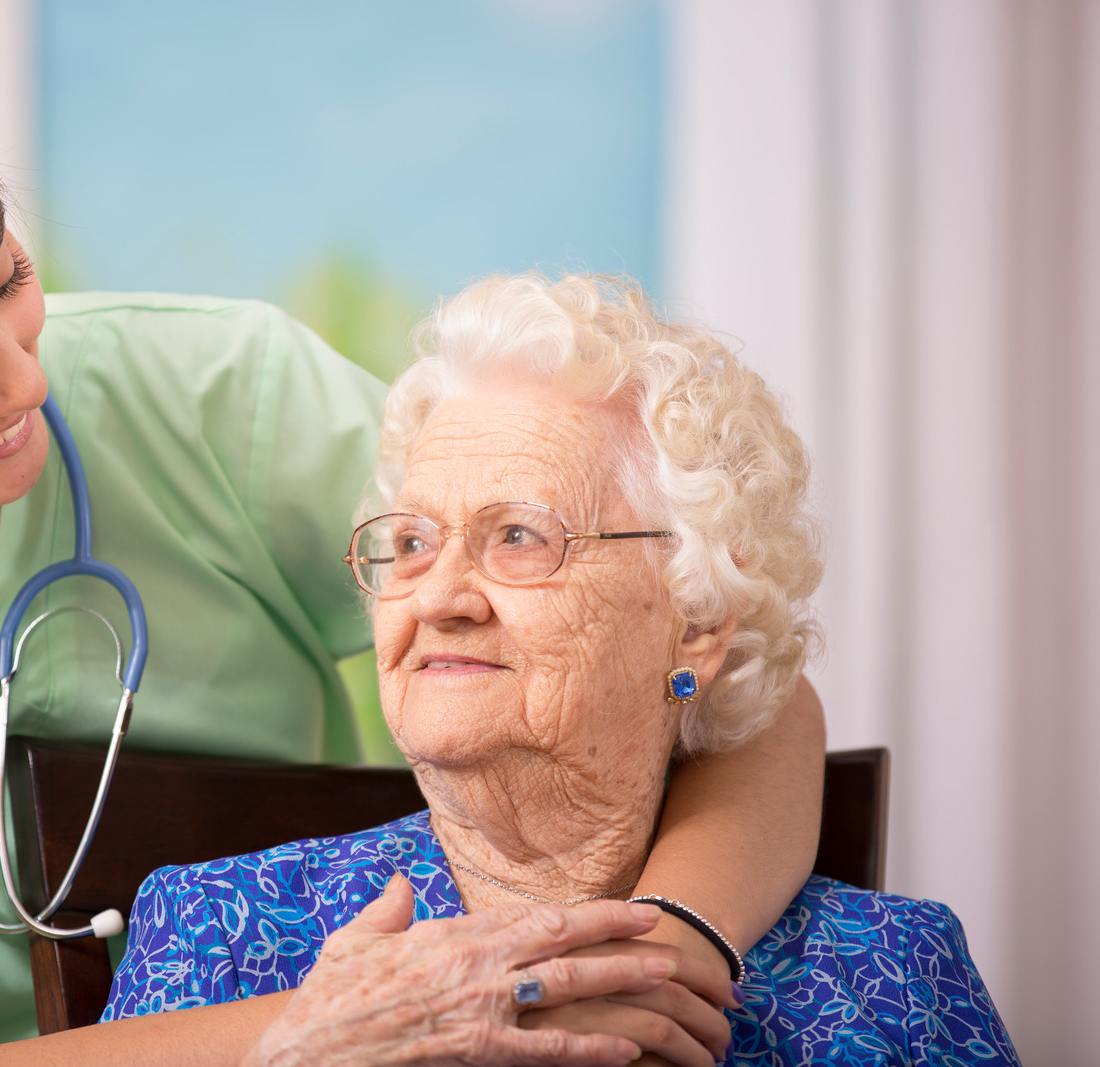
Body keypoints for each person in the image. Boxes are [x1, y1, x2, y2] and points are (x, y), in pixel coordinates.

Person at [0, 23, 825, 1067]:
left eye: (4, 277)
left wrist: (653, 953)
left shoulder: (210, 391)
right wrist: (329, 1029)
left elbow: (717, 667)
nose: (20, 381)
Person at [105, 273, 1022, 1066]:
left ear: (697, 620)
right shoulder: (214, 930)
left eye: (518, 536)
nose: (439, 597)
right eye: (412, 541)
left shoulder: (893, 975)